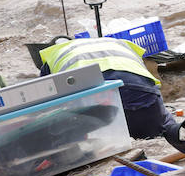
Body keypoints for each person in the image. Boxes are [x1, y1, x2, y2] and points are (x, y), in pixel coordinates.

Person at [38, 37, 176, 140]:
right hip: (142, 100)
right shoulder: (119, 43)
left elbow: (48, 104)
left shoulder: (53, 56)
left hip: (98, 112)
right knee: (161, 123)